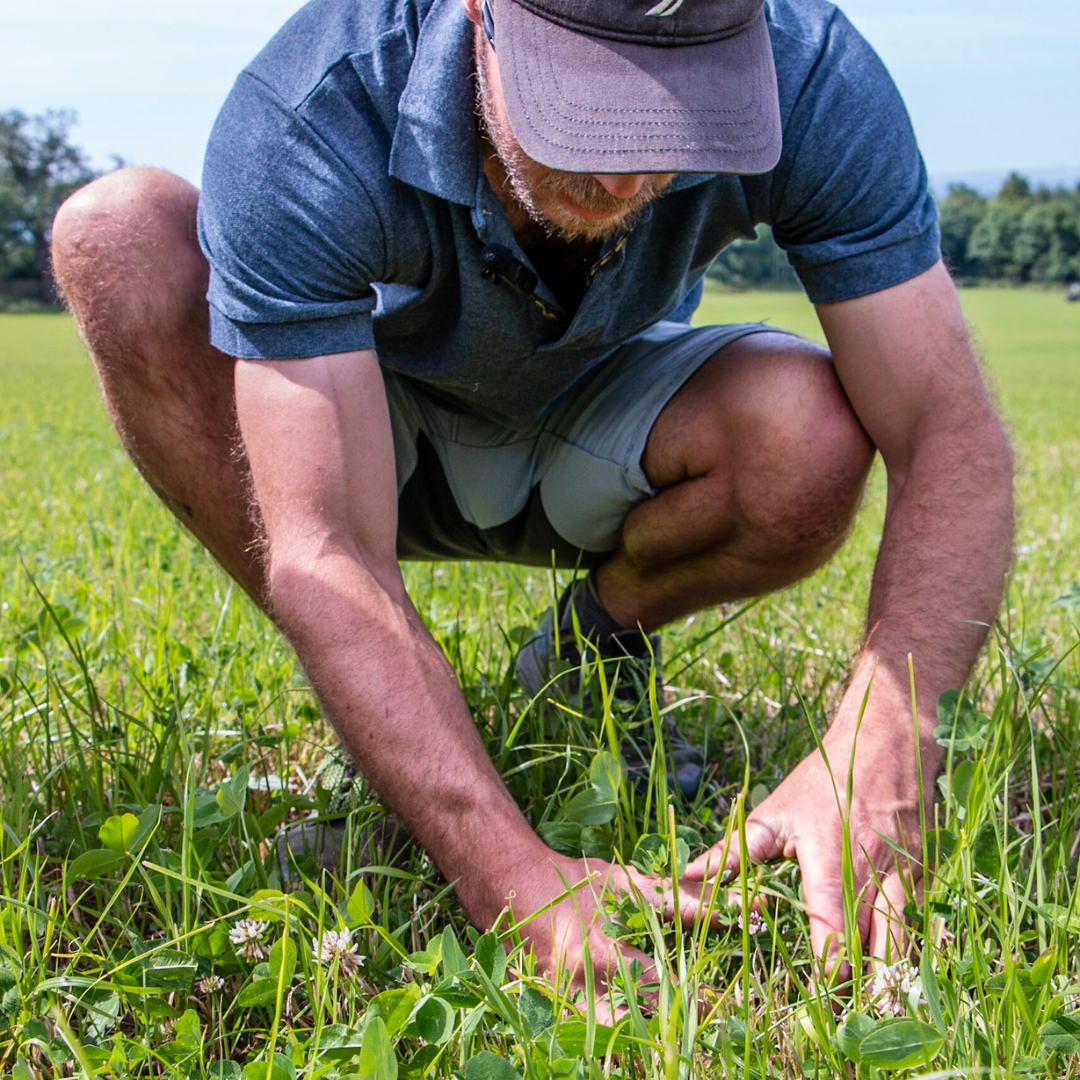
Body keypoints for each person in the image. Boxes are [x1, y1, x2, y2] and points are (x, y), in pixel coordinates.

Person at [51, 0, 1013, 1014]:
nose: (625, 178)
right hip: (354, 421)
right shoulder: (311, 108)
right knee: (116, 233)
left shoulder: (810, 70)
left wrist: (886, 744)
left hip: (588, 403)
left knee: (807, 431)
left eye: (678, 122)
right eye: (587, 111)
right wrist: (508, 874)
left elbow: (949, 432)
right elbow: (325, 546)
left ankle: (587, 655)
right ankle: (397, 730)